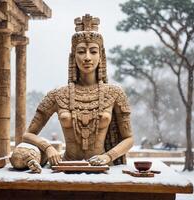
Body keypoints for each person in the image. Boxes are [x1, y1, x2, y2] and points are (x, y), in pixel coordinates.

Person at [10, 14, 134, 173]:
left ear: (101, 56)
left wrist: (108, 156)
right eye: (81, 51)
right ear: (73, 56)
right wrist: (47, 147)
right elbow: (27, 135)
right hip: (65, 166)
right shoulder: (58, 95)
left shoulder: (114, 93)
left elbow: (129, 138)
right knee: (19, 157)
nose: (87, 58)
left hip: (102, 167)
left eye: (93, 51)